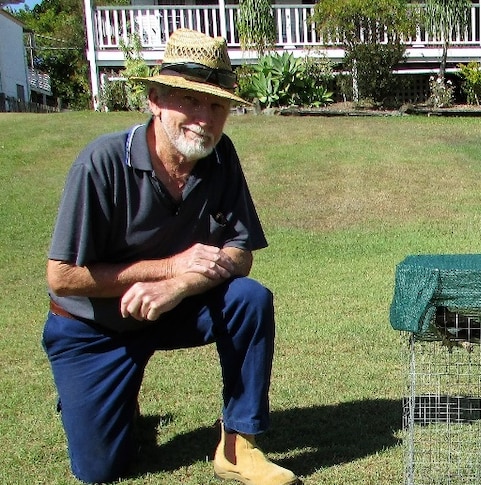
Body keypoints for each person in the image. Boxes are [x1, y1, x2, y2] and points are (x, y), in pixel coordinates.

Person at [42, 29, 300, 485]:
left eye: (216, 105)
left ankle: (240, 445)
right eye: (189, 100)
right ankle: (106, 400)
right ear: (155, 99)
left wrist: (178, 285)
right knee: (101, 470)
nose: (204, 118)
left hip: (173, 309)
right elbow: (61, 277)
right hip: (94, 327)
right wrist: (170, 266)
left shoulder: (221, 158)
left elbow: (239, 254)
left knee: (249, 300)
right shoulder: (99, 163)